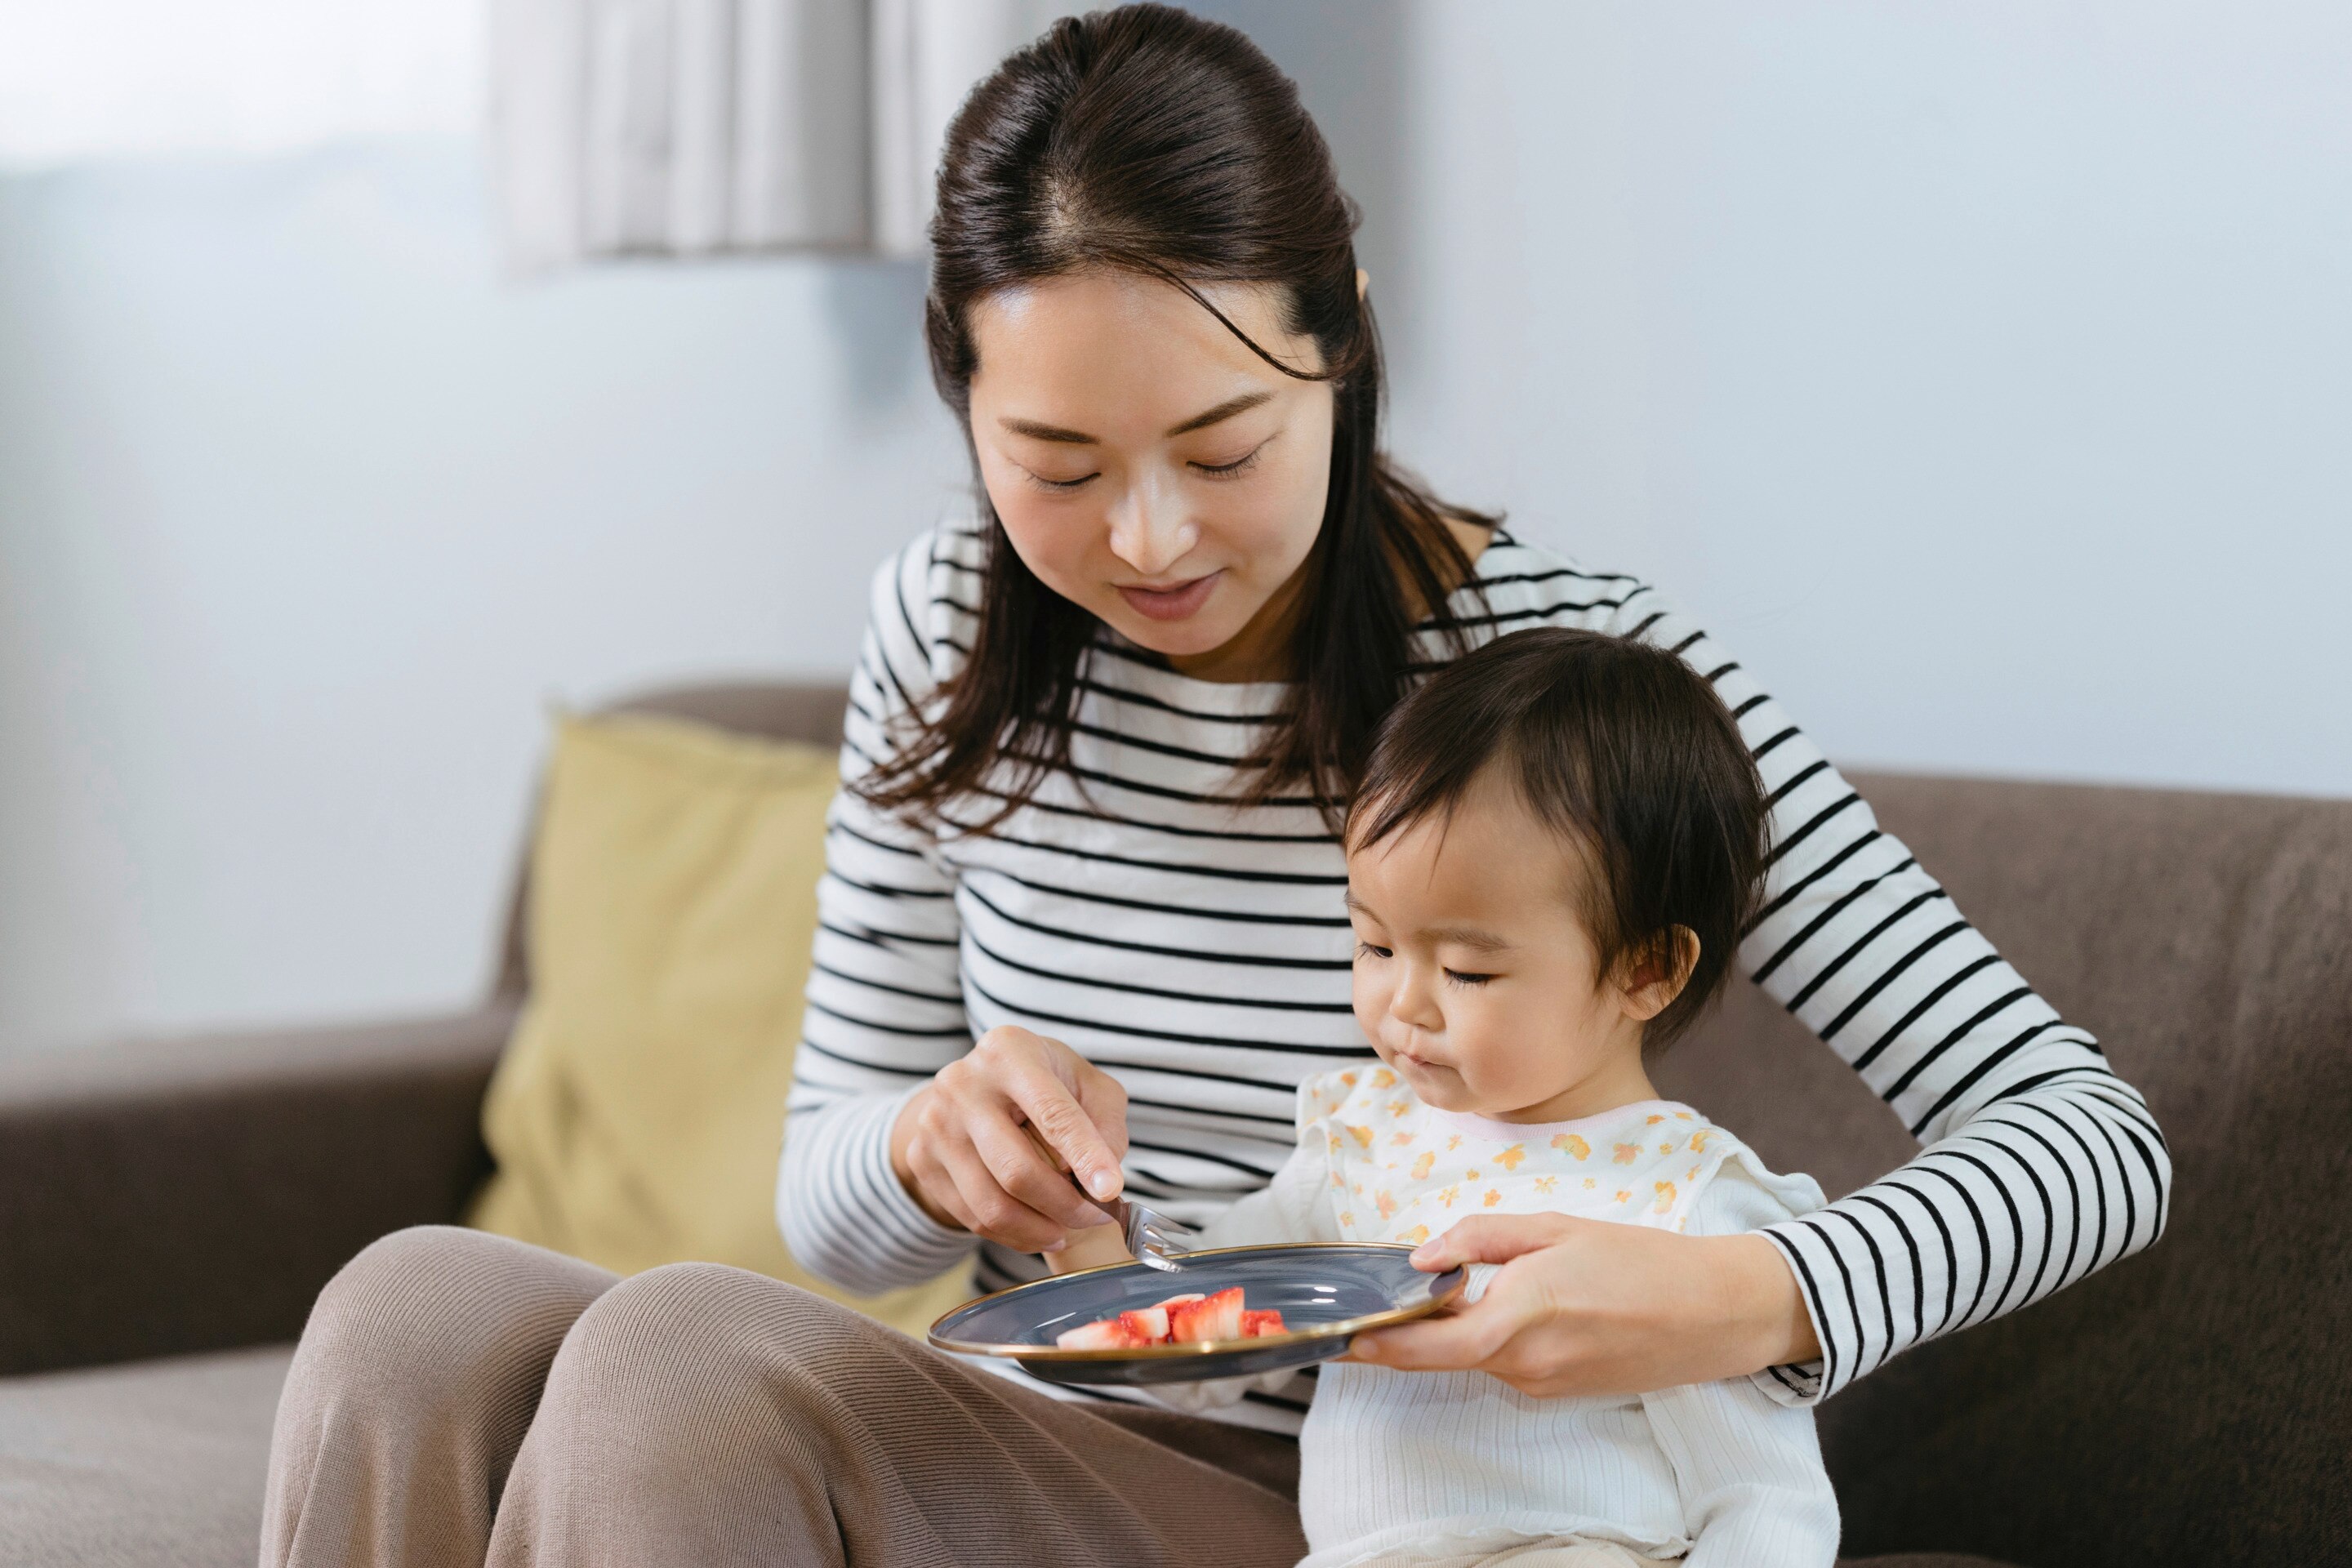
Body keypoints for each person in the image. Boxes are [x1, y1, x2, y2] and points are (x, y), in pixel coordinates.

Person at [260, 8, 2168, 1566]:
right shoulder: (946, 629)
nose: (1150, 538)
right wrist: (927, 1143)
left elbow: (2089, 1140)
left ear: (1342, 338)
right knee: (412, 1310)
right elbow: (831, 1207)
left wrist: (1751, 1295)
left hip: (1382, 1505)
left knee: (680, 1352)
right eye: (1059, 465)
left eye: (1225, 445)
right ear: (961, 401)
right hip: (1032, 1425)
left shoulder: (1573, 681)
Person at [1089, 626, 1839, 1568]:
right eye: (1374, 945)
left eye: (1468, 971)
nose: (1403, 1004)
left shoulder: (1683, 1199)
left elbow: (1767, 1499)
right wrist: (1086, 1236)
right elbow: (1197, 1342)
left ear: (1646, 969)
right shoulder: (1363, 1146)